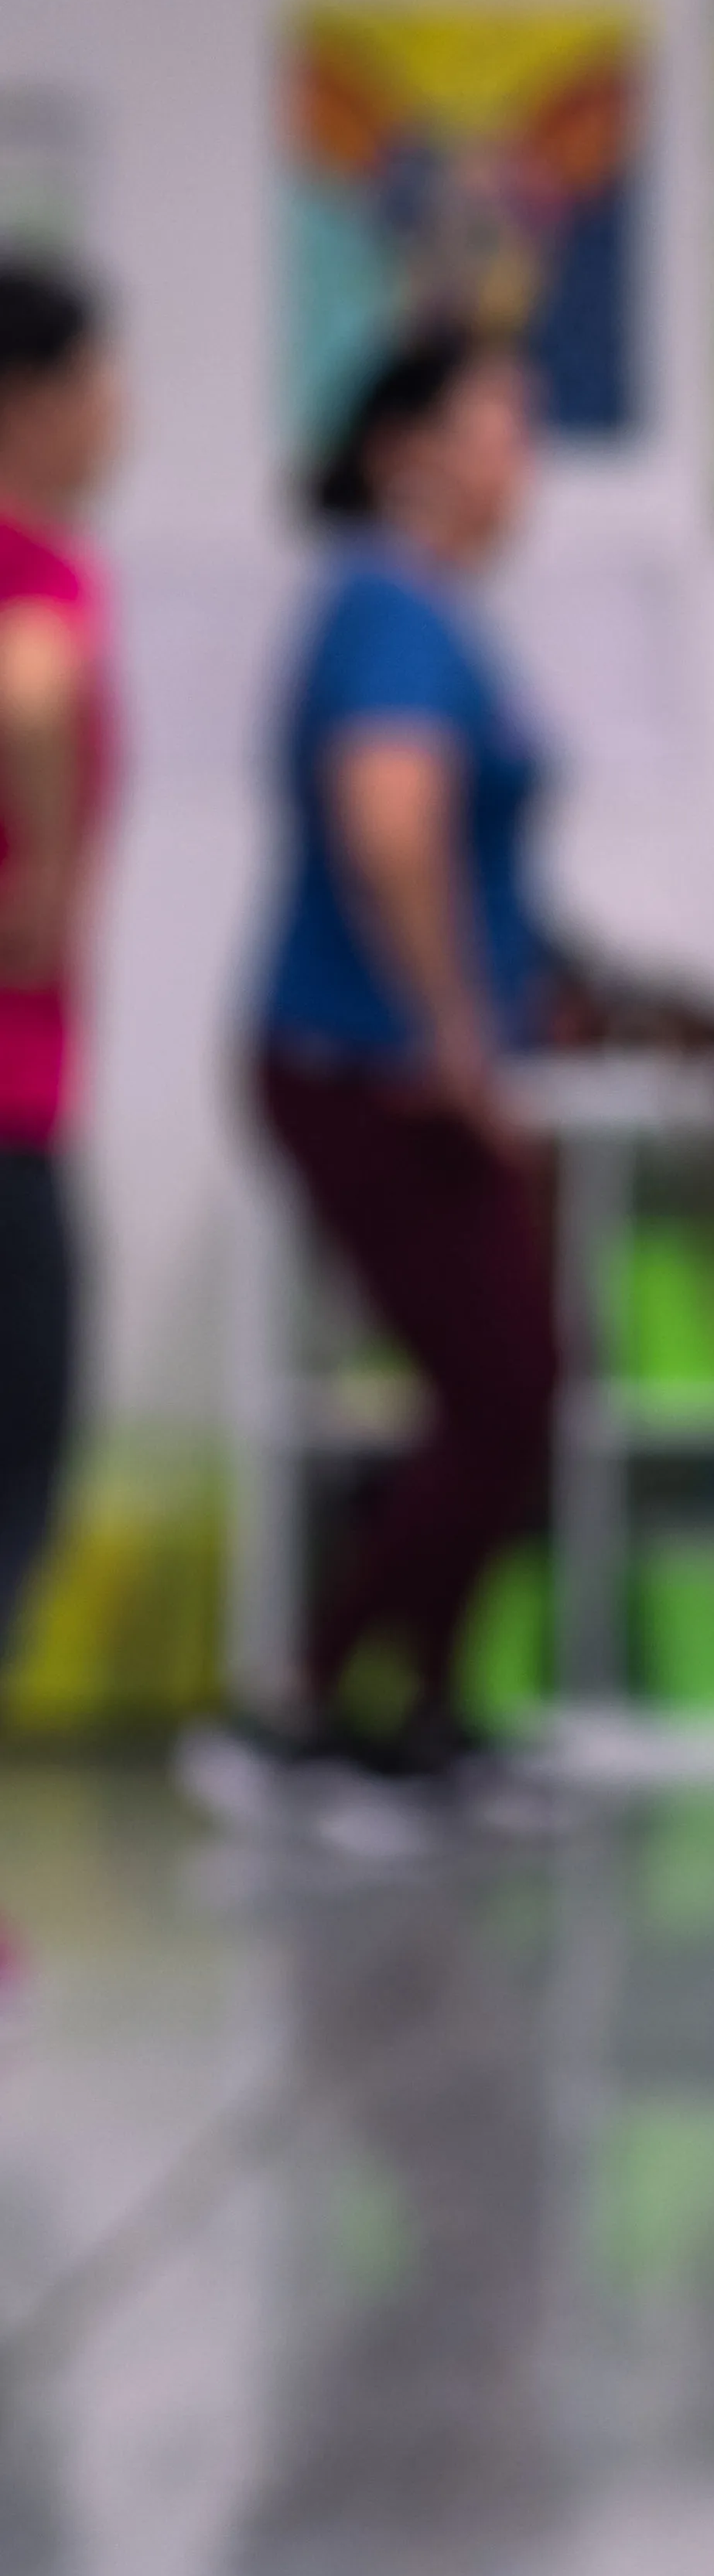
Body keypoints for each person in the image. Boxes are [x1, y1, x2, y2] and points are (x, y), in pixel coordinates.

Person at [193, 321, 562, 1814]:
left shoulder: (416, 608)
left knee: (504, 1388)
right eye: (499, 427)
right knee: (507, 1381)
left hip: (377, 1053)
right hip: (369, 1061)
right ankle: (300, 1707)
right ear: (408, 450)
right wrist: (456, 1038)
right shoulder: (395, 608)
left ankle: (417, 1710)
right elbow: (390, 831)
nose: (519, 462)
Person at [0, 258, 119, 1728]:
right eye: (101, 383)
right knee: (20, 1463)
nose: (117, 415)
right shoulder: (40, 577)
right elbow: (31, 687)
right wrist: (43, 878)